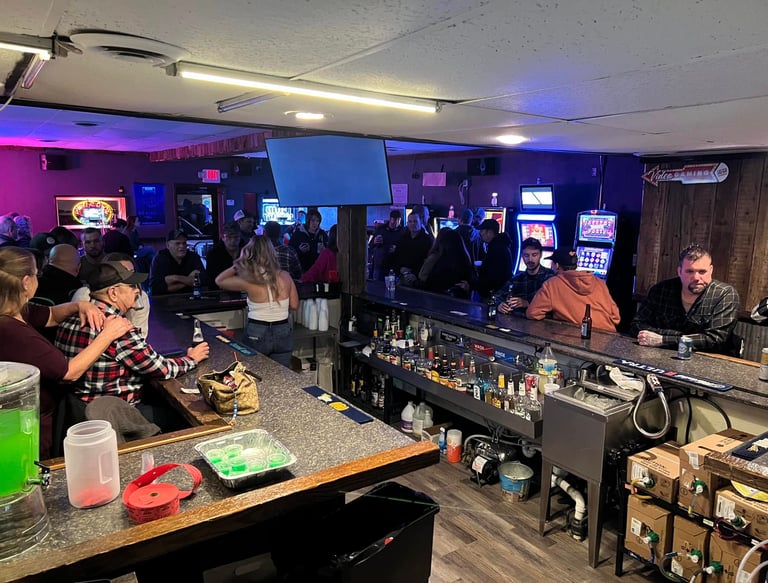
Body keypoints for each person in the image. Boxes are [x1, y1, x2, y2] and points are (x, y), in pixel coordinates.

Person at [0, 247, 133, 458]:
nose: (39, 279)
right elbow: (69, 371)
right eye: (37, 274)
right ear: (26, 282)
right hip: (29, 428)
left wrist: (80, 305)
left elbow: (51, 315)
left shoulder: (14, 310)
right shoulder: (12, 331)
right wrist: (108, 334)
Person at [55, 261, 209, 432]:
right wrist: (192, 359)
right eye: (131, 286)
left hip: (79, 415)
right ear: (113, 293)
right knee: (186, 419)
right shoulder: (117, 327)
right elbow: (162, 369)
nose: (137, 290)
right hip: (116, 418)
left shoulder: (71, 318)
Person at [630, 243, 740, 353]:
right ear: (680, 271)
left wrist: (663, 339)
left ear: (711, 271)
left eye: (702, 271)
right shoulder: (660, 290)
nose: (696, 277)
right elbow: (637, 325)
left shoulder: (725, 294)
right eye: (690, 271)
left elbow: (715, 340)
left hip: (710, 360)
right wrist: (685, 337)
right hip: (661, 355)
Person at [215, 236, 299, 367]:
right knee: (283, 375)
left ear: (251, 254)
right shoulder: (285, 275)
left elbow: (219, 281)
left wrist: (238, 264)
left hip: (257, 330)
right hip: (282, 329)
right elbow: (294, 305)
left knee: (256, 374)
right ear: (272, 253)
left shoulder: (250, 279)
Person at [526, 247, 621, 331]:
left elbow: (533, 313)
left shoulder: (552, 284)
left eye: (553, 264)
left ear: (557, 266)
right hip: (608, 337)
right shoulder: (599, 282)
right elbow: (616, 318)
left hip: (580, 338)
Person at [72, 252, 151, 338]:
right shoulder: (84, 295)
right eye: (124, 273)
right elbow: (77, 332)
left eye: (132, 272)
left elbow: (140, 337)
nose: (131, 278)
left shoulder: (140, 296)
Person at [497, 237, 555, 314]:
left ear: (540, 255)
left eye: (534, 255)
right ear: (522, 256)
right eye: (526, 255)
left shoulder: (550, 277)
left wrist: (526, 302)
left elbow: (549, 300)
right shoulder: (517, 279)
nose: (530, 259)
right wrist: (499, 305)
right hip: (517, 322)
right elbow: (497, 295)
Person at [417, 227, 473, 298]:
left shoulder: (440, 259)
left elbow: (427, 278)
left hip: (439, 298)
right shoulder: (466, 258)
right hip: (460, 300)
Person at [149, 229, 206, 295]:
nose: (182, 246)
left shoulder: (193, 257)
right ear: (168, 245)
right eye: (177, 243)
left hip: (190, 299)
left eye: (184, 243)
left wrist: (174, 279)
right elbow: (155, 288)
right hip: (166, 301)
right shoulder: (159, 259)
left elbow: (204, 280)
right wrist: (190, 280)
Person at [391, 212, 433, 287]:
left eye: (415, 221)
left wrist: (415, 274)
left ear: (420, 222)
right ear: (407, 223)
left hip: (418, 279)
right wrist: (400, 269)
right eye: (410, 221)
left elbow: (428, 262)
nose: (413, 224)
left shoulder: (427, 240)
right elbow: (396, 257)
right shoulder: (403, 238)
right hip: (402, 276)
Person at [474, 218, 512, 299]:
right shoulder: (499, 245)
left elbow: (492, 277)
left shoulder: (496, 249)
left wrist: (475, 284)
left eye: (482, 230)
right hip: (498, 293)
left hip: (494, 295)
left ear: (489, 232)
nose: (480, 233)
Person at [205, 222, 244, 289]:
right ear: (223, 237)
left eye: (236, 237)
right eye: (229, 237)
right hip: (219, 291)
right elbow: (212, 280)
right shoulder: (213, 254)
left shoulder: (246, 252)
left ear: (240, 237)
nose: (233, 241)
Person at [289, 207, 329, 273]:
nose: (315, 223)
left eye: (317, 221)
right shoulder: (298, 233)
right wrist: (299, 250)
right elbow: (290, 250)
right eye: (313, 220)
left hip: (319, 270)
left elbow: (328, 251)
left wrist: (324, 250)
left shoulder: (322, 234)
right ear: (308, 221)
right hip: (302, 269)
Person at [369, 209, 403, 280]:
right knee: (376, 286)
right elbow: (371, 246)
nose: (393, 223)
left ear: (399, 221)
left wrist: (397, 249)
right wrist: (375, 242)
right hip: (380, 265)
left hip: (394, 266)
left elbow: (405, 249)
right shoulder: (381, 229)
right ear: (390, 219)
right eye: (392, 221)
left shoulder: (402, 232)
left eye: (396, 221)